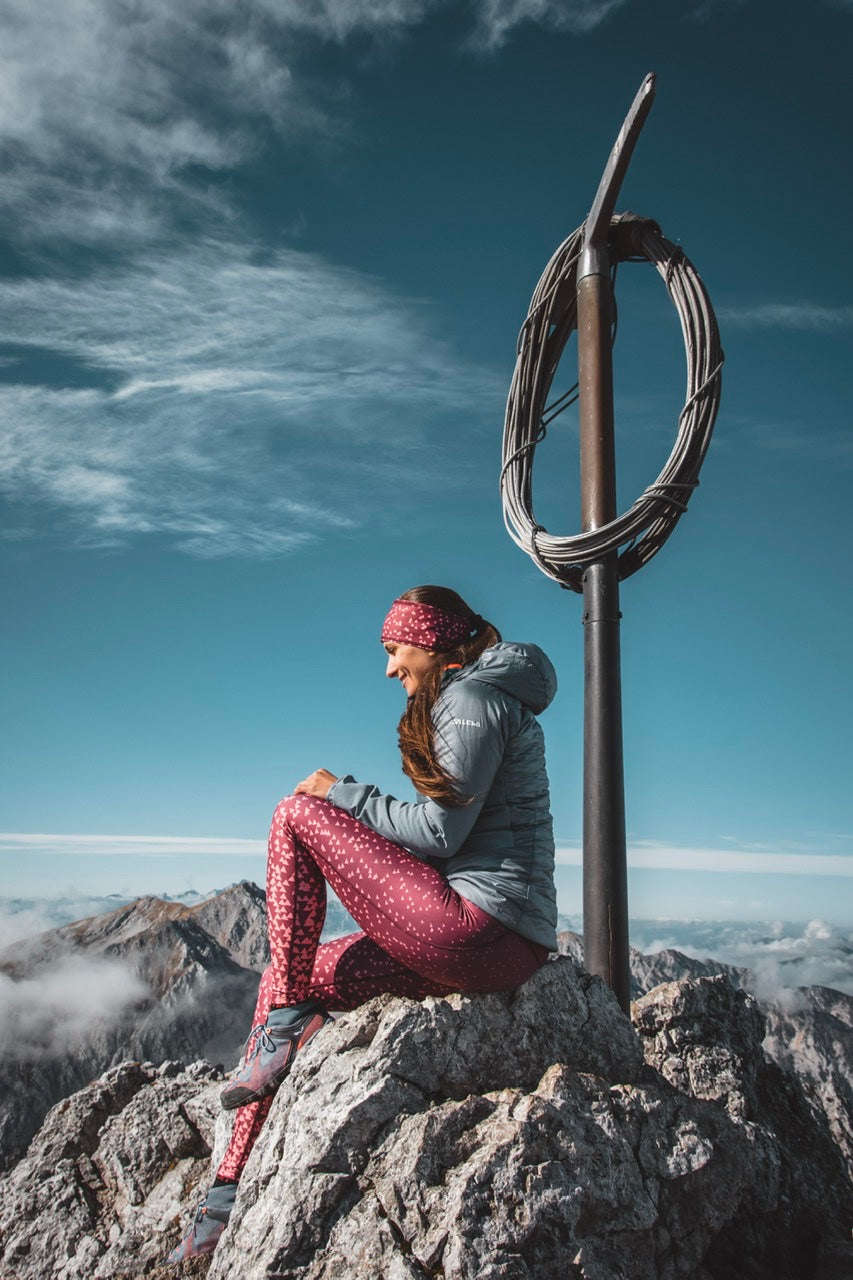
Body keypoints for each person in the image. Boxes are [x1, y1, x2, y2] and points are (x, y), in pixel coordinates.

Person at [166, 585, 558, 1262]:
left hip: (475, 928)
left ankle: (286, 1021)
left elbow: (438, 830)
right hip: (500, 945)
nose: (387, 669)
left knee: (295, 813)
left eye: (394, 649)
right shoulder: (483, 698)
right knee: (292, 977)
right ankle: (227, 1188)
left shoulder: (469, 698)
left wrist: (339, 794)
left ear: (431, 643)